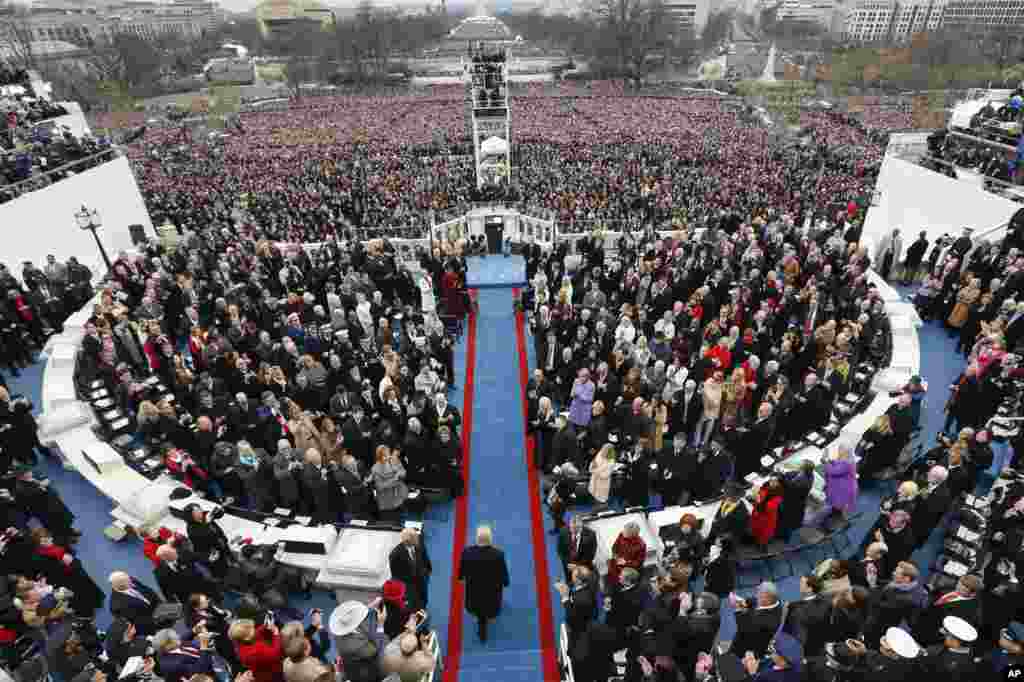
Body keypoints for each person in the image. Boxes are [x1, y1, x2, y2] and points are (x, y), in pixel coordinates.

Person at [457, 525, 510, 643]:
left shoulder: (467, 552)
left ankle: (481, 626)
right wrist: (505, 582)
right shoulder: (498, 554)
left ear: (477, 538)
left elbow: (462, 569)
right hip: (492, 590)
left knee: (479, 609)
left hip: (474, 589)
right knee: (488, 606)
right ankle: (483, 623)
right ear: (490, 538)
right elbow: (502, 572)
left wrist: (460, 578)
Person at [229, 618, 285, 682]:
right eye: (252, 628)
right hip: (274, 674)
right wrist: (276, 635)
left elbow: (256, 634)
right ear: (247, 638)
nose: (255, 629)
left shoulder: (242, 643)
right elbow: (275, 654)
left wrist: (264, 627)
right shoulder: (253, 653)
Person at [388, 527, 431, 610]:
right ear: (409, 540)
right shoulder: (395, 555)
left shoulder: (420, 546)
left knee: (422, 605)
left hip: (421, 585)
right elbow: (396, 577)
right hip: (408, 590)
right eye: (416, 537)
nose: (418, 539)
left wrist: (426, 575)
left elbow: (427, 563)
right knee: (410, 610)